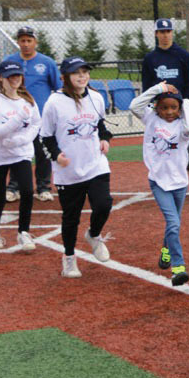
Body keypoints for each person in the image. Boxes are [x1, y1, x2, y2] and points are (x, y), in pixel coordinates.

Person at [40, 57, 114, 278]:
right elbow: (45, 136)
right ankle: (69, 258)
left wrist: (105, 139)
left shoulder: (97, 97)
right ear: (65, 77)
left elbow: (100, 125)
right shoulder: (54, 103)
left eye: (85, 72)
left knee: (104, 204)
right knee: (71, 217)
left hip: (95, 164)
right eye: (76, 73)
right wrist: (56, 155)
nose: (82, 76)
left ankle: (94, 234)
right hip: (68, 170)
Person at [129, 81, 189, 286]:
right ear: (156, 108)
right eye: (164, 108)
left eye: (173, 108)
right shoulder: (151, 119)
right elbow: (135, 106)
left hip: (179, 182)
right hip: (159, 181)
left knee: (173, 224)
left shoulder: (185, 127)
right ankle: (178, 268)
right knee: (173, 223)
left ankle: (166, 251)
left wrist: (186, 102)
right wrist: (158, 89)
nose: (169, 112)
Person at [0, 59, 40, 251]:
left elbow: (36, 125)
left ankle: (23, 232)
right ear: (1, 78)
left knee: (28, 191)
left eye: (17, 75)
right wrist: (17, 120)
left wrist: (20, 141)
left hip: (20, 152)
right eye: (10, 76)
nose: (14, 79)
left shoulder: (28, 101)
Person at [141, 18, 189, 198]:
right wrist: (154, 108)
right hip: (159, 110)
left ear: (172, 33)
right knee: (161, 145)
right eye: (161, 32)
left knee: (187, 146)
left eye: (168, 31)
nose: (165, 35)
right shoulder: (150, 58)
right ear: (156, 34)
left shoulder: (183, 56)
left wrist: (185, 108)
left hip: (180, 108)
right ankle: (160, 182)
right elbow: (147, 87)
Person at [3, 26, 61, 202]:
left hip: (40, 116)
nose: (26, 44)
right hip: (15, 116)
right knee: (17, 151)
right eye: (22, 40)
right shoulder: (9, 61)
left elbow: (57, 87)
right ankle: (14, 187)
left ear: (35, 42)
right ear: (18, 42)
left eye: (29, 40)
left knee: (42, 152)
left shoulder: (47, 62)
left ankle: (43, 187)